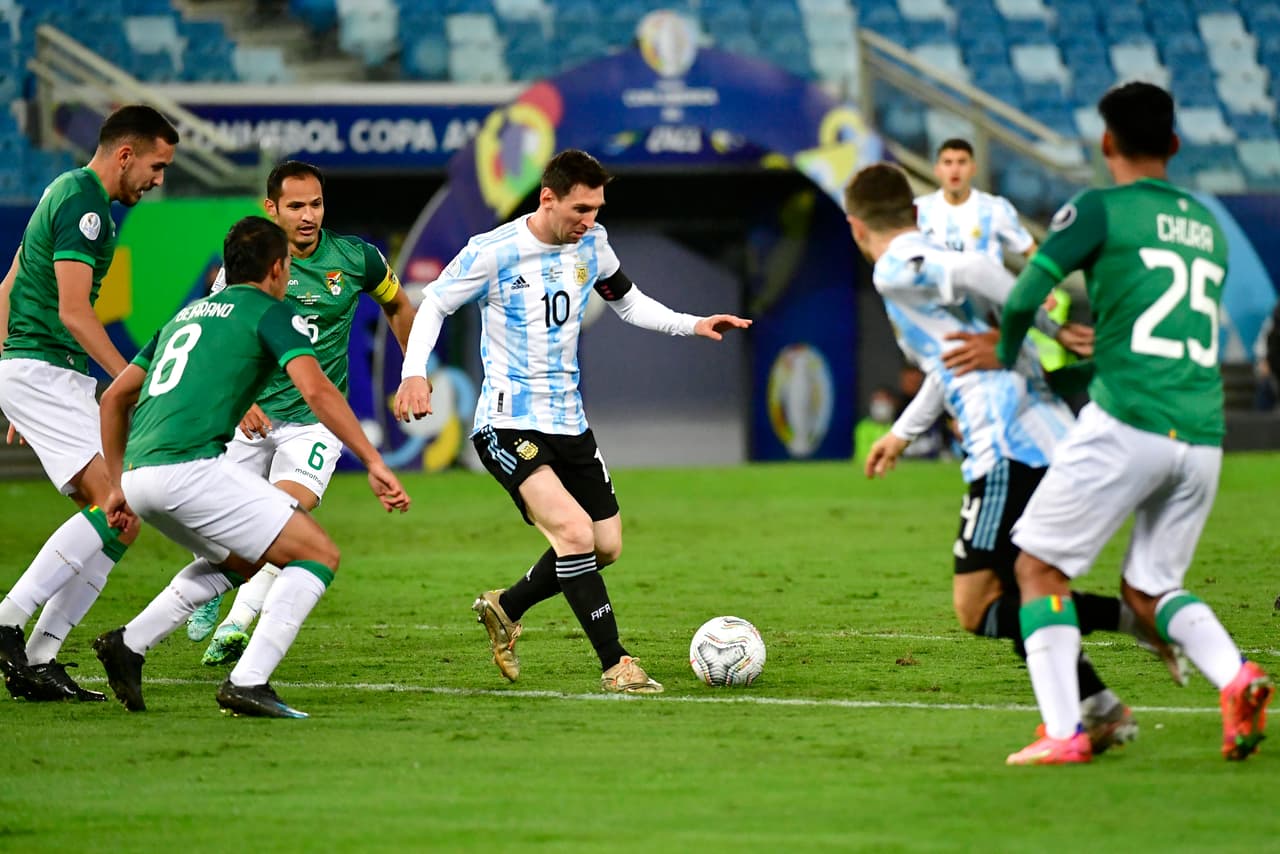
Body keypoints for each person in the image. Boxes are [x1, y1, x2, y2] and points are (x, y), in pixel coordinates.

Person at [394, 149, 750, 694]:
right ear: (547, 198)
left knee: (605, 545)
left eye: (598, 208)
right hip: (507, 422)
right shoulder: (493, 252)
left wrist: (693, 323)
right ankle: (617, 664)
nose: (591, 220)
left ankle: (507, 606)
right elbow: (435, 304)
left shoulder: (594, 243)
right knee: (574, 533)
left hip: (570, 422)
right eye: (581, 208)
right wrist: (415, 373)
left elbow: (628, 303)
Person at [992, 82, 1272, 765]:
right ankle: (1238, 678)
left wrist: (1007, 359)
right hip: (1202, 431)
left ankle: (1065, 732)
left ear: (1106, 143)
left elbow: (1027, 291)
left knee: (1036, 571)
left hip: (1127, 420)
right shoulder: (1205, 225)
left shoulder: (1098, 208)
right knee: (1151, 587)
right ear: (1174, 145)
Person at [847, 161, 1166, 753]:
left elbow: (978, 268)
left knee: (977, 606)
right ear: (916, 211)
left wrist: (1045, 322)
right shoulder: (931, 272)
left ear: (854, 226)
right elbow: (957, 359)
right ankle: (1102, 709)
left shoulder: (896, 268)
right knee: (1025, 590)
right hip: (1043, 435)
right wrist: (903, 433)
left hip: (1005, 443)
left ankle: (1141, 625)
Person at [92, 216, 410, 718]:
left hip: (138, 475)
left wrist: (114, 487)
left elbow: (113, 399)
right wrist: (373, 460)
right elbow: (317, 390)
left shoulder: (186, 316)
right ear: (279, 268)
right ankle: (249, 681)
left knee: (240, 560)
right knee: (317, 553)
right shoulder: (268, 311)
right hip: (190, 470)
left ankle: (128, 643)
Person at [184, 160, 416, 667]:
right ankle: (208, 591)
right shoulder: (249, 264)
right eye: (296, 206)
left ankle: (237, 623)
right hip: (253, 415)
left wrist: (411, 372)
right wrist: (240, 399)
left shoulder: (356, 258)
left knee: (281, 516)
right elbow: (216, 333)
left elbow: (400, 306)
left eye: (315, 204)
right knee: (218, 524)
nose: (308, 216)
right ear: (271, 208)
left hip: (315, 420)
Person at [0, 105, 178, 702]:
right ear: (125, 154)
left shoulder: (65, 191)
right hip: (47, 371)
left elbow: (8, 287)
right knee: (116, 506)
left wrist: (13, 390)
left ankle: (40, 657)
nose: (158, 181)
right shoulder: (85, 206)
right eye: (155, 166)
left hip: (43, 376)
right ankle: (8, 620)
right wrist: (130, 378)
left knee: (119, 523)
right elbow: (74, 312)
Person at [915, 138, 1037, 261]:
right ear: (937, 170)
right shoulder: (919, 209)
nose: (955, 170)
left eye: (962, 162)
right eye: (948, 163)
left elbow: (1031, 252)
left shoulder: (995, 209)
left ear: (973, 168)